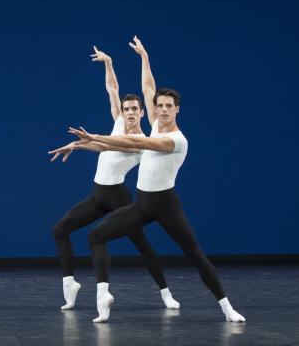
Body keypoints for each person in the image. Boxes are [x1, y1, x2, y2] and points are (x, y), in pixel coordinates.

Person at [68, 36, 245, 323]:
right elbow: (148, 87)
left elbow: (132, 142)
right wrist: (144, 57)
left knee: (194, 253)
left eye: (168, 106)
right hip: (142, 205)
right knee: (95, 236)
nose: (162, 109)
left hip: (165, 205)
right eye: (159, 105)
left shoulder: (175, 140)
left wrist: (94, 137)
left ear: (177, 109)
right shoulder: (154, 124)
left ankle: (227, 308)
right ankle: (103, 297)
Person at [48, 46, 179, 311]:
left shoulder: (142, 141)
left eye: (134, 109)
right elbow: (112, 88)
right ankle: (70, 285)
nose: (129, 112)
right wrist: (108, 62)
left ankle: (165, 292)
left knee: (141, 244)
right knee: (60, 230)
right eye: (126, 108)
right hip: (98, 196)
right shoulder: (118, 122)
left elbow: (108, 145)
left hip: (119, 198)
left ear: (142, 113)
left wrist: (80, 143)